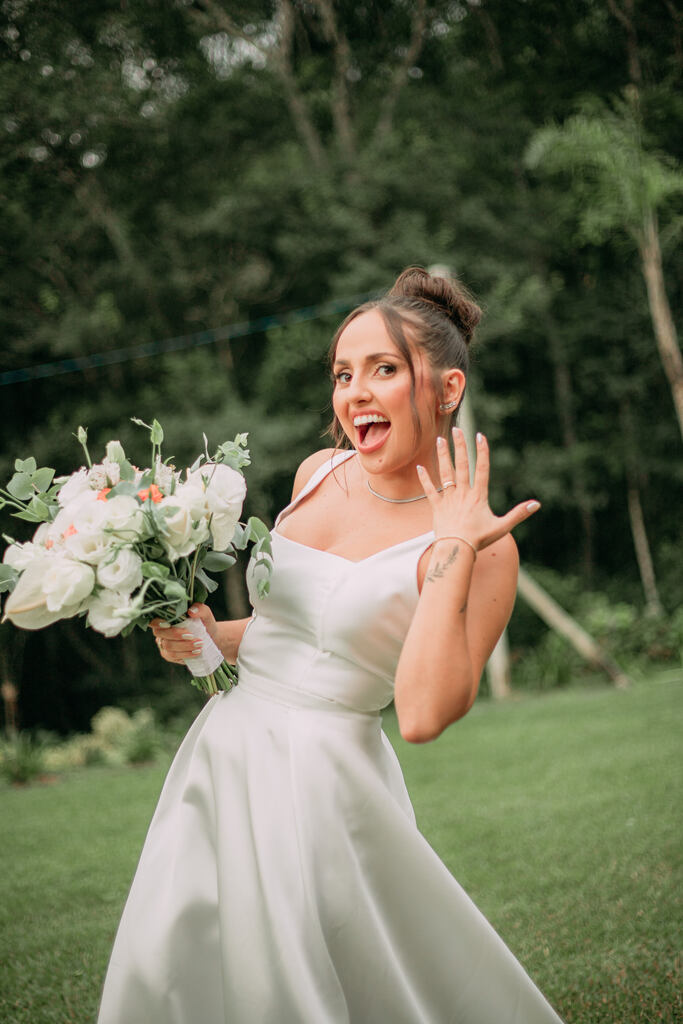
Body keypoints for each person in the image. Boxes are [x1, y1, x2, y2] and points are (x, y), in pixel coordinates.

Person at [97, 267, 563, 1023]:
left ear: (447, 389)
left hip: (322, 786)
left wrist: (449, 549)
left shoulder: (486, 548)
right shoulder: (319, 472)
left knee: (301, 980)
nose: (355, 393)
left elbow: (421, 714)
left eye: (383, 370)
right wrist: (208, 635)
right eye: (344, 374)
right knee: (187, 965)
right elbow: (295, 633)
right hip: (221, 756)